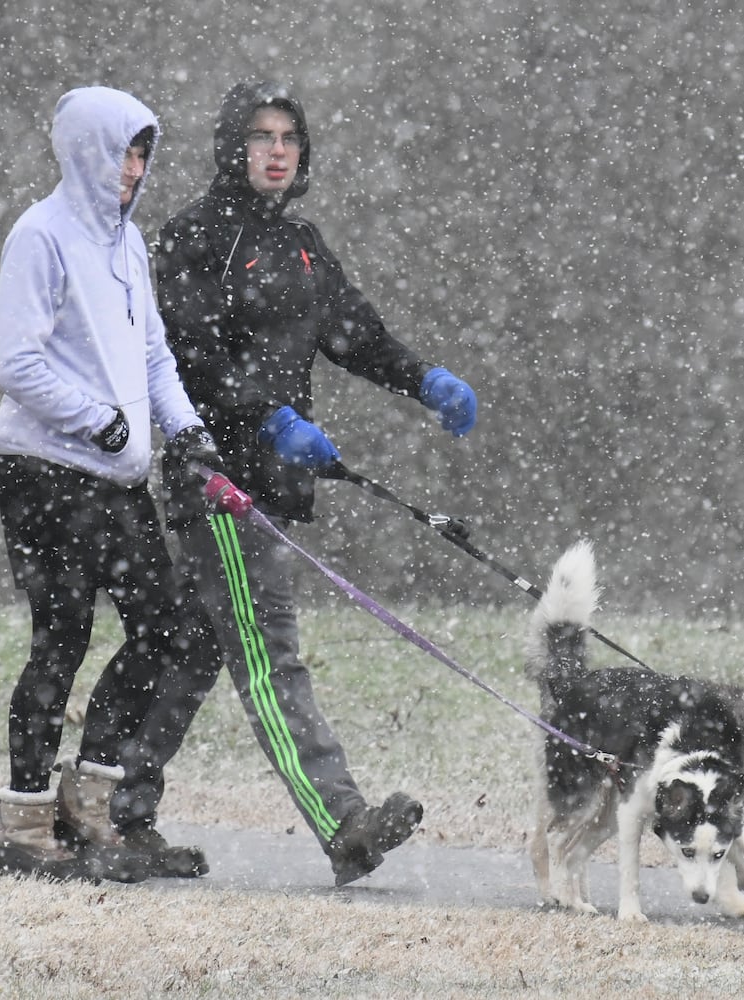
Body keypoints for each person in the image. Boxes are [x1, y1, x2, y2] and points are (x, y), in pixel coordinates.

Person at [152, 81, 478, 886]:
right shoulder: (196, 237)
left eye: (289, 137)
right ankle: (343, 821)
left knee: (189, 653)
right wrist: (263, 420)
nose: (276, 150)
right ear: (233, 147)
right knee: (269, 655)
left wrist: (424, 379)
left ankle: (112, 806)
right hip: (216, 476)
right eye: (260, 136)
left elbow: (353, 333)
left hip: (273, 480)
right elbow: (187, 357)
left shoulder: (302, 243)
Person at [0, 85, 247, 882]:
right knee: (61, 636)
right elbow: (16, 362)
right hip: (45, 469)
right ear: (86, 149)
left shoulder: (126, 246)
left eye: (144, 152)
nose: (134, 168)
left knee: (167, 630)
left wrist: (190, 433)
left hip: (117, 473)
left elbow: (154, 359)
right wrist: (94, 419)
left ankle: (90, 803)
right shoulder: (41, 235)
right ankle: (24, 827)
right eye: (124, 149)